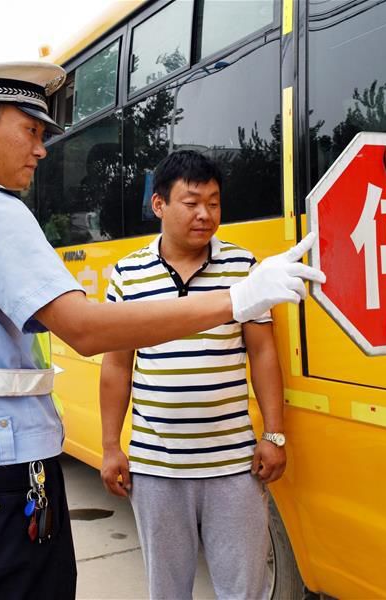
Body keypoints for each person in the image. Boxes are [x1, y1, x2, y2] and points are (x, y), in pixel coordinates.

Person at [0, 61, 324, 600]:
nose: (41, 150)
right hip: (1, 482)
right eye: (31, 132)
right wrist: (239, 299)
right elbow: (85, 331)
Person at [99, 150, 287, 599]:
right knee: (168, 591)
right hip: (156, 467)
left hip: (234, 467)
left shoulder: (244, 268)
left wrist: (275, 436)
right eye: (191, 202)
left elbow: (263, 355)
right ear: (159, 205)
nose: (205, 214)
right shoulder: (128, 274)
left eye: (214, 202)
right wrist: (110, 446)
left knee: (245, 590)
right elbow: (116, 364)